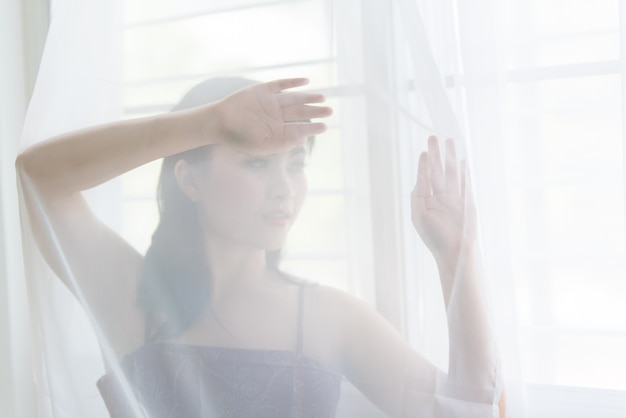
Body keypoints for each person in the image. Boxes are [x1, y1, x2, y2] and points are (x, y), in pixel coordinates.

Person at [16, 77, 504, 417]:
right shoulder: (131, 294)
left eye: (295, 163)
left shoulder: (329, 317)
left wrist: (456, 259)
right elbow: (40, 176)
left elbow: (470, 413)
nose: (284, 189)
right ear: (189, 179)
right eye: (257, 164)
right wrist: (207, 124)